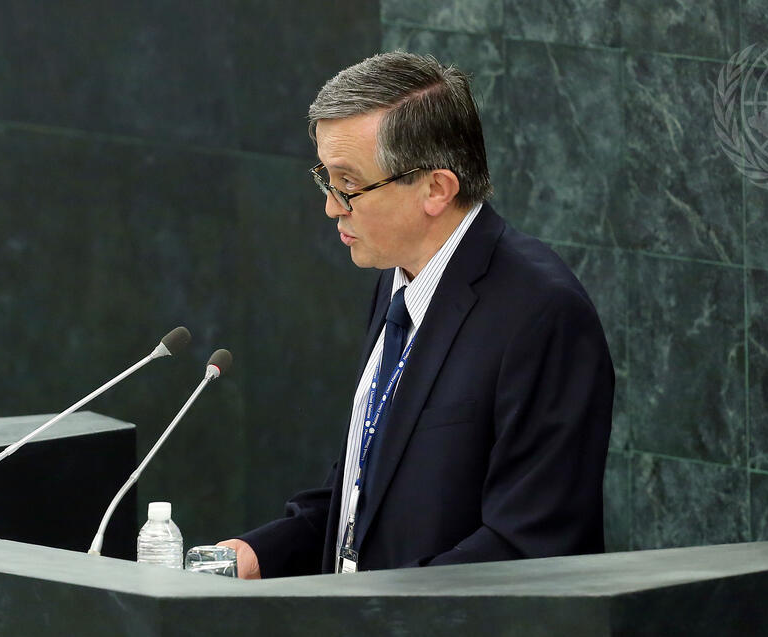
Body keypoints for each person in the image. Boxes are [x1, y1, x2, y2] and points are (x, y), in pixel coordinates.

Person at [219, 51, 614, 579]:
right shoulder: (398, 277)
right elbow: (366, 493)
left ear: (436, 189)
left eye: (349, 184)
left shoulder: (543, 315)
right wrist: (256, 555)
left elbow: (530, 545)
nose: (332, 206)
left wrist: (384, 613)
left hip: (443, 629)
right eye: (326, 179)